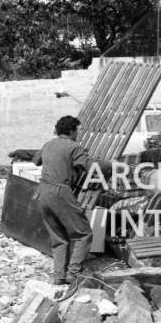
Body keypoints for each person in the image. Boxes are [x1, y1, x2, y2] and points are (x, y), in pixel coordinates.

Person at [33, 116, 100, 286]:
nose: (78, 134)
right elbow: (90, 167)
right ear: (71, 131)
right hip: (60, 192)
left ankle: (59, 277)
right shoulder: (74, 146)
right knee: (83, 234)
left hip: (42, 192)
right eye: (77, 130)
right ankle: (73, 274)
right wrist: (112, 166)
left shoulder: (48, 145)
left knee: (59, 238)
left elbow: (36, 161)